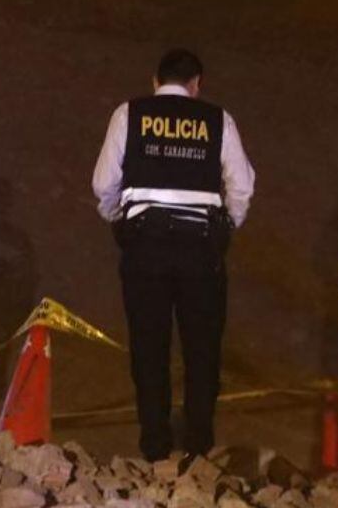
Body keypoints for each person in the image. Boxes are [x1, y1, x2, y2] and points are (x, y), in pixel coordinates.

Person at [91, 48, 255, 462]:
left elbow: (103, 182)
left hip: (145, 248)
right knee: (202, 350)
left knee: (149, 349)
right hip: (200, 249)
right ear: (196, 84)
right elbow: (242, 185)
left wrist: (121, 220)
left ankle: (155, 447)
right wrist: (225, 227)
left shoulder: (129, 114)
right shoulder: (218, 120)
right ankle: (198, 445)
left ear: (155, 79)